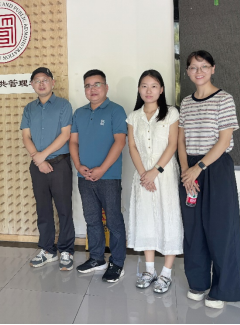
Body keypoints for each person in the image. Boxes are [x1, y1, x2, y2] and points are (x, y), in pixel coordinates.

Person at [178, 50, 240, 309]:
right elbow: (181, 141)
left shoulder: (224, 99)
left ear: (213, 69)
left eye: (204, 66)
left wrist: (199, 167)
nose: (199, 71)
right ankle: (198, 283)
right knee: (194, 230)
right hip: (190, 171)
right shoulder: (186, 102)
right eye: (193, 67)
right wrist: (186, 170)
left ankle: (222, 289)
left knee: (220, 230)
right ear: (187, 71)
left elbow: (224, 140)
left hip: (215, 168)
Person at [126, 70, 183, 294]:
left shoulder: (171, 113)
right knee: (146, 219)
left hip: (165, 175)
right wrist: (144, 174)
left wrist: (155, 171)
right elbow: (132, 146)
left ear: (161, 89)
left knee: (169, 218)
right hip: (142, 177)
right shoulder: (133, 117)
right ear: (139, 90)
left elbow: (172, 144)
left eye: (153, 86)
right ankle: (149, 270)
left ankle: (166, 273)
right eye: (144, 86)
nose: (148, 90)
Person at [70, 69, 128, 282]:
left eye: (97, 84)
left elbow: (120, 141)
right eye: (88, 85)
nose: (92, 89)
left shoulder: (116, 110)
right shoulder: (79, 113)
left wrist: (102, 169)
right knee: (92, 219)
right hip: (84, 176)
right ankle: (96, 258)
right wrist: (78, 165)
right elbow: (73, 142)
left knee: (113, 220)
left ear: (106, 87)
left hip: (109, 176)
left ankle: (117, 262)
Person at [20, 67, 75, 270]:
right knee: (43, 208)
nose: (41, 83)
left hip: (59, 164)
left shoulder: (63, 105)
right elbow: (26, 136)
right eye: (37, 80)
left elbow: (65, 135)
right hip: (37, 166)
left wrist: (42, 156)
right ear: (32, 85)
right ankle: (47, 250)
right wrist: (38, 159)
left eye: (45, 80)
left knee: (64, 208)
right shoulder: (29, 108)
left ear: (53, 82)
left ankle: (66, 250)